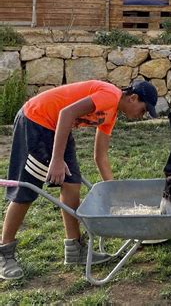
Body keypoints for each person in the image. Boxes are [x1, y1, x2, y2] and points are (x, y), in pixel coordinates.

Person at [0, 79, 158, 280]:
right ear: (133, 98)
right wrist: (57, 159)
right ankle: (4, 252)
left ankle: (75, 250)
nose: (142, 115)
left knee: (72, 185)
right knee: (27, 191)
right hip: (36, 121)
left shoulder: (111, 115)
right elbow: (66, 113)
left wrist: (115, 193)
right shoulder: (110, 95)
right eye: (144, 110)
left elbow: (100, 157)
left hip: (58, 128)